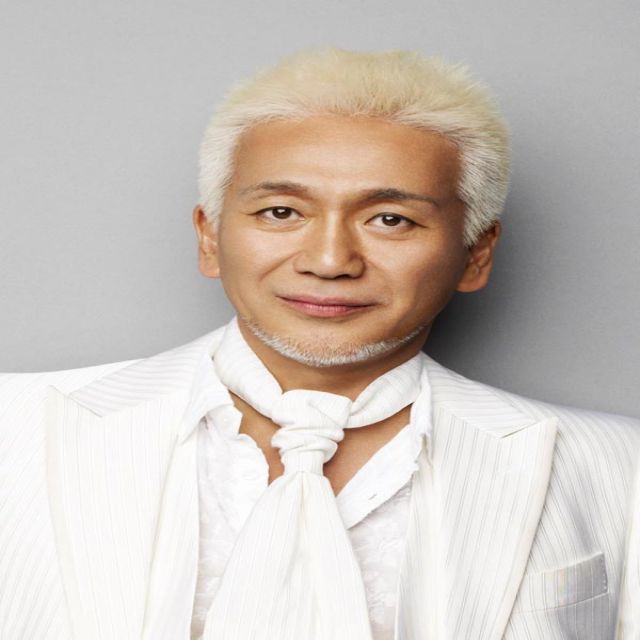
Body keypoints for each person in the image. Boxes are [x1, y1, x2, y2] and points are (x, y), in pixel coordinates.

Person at [0, 48, 638, 640]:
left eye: (390, 219)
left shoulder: (618, 467)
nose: (330, 261)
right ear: (209, 237)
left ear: (475, 253)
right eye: (281, 212)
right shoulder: (13, 427)